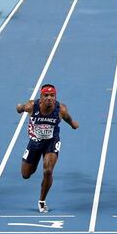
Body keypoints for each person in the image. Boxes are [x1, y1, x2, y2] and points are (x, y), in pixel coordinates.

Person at [16, 84, 79, 213]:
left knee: (48, 170)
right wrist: (19, 108)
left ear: (55, 97)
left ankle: (42, 201)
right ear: (41, 97)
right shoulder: (31, 106)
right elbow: (20, 108)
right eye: (46, 95)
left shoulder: (61, 109)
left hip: (51, 142)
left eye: (52, 95)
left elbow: (67, 118)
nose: (49, 98)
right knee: (26, 174)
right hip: (34, 143)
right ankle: (33, 165)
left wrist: (72, 124)